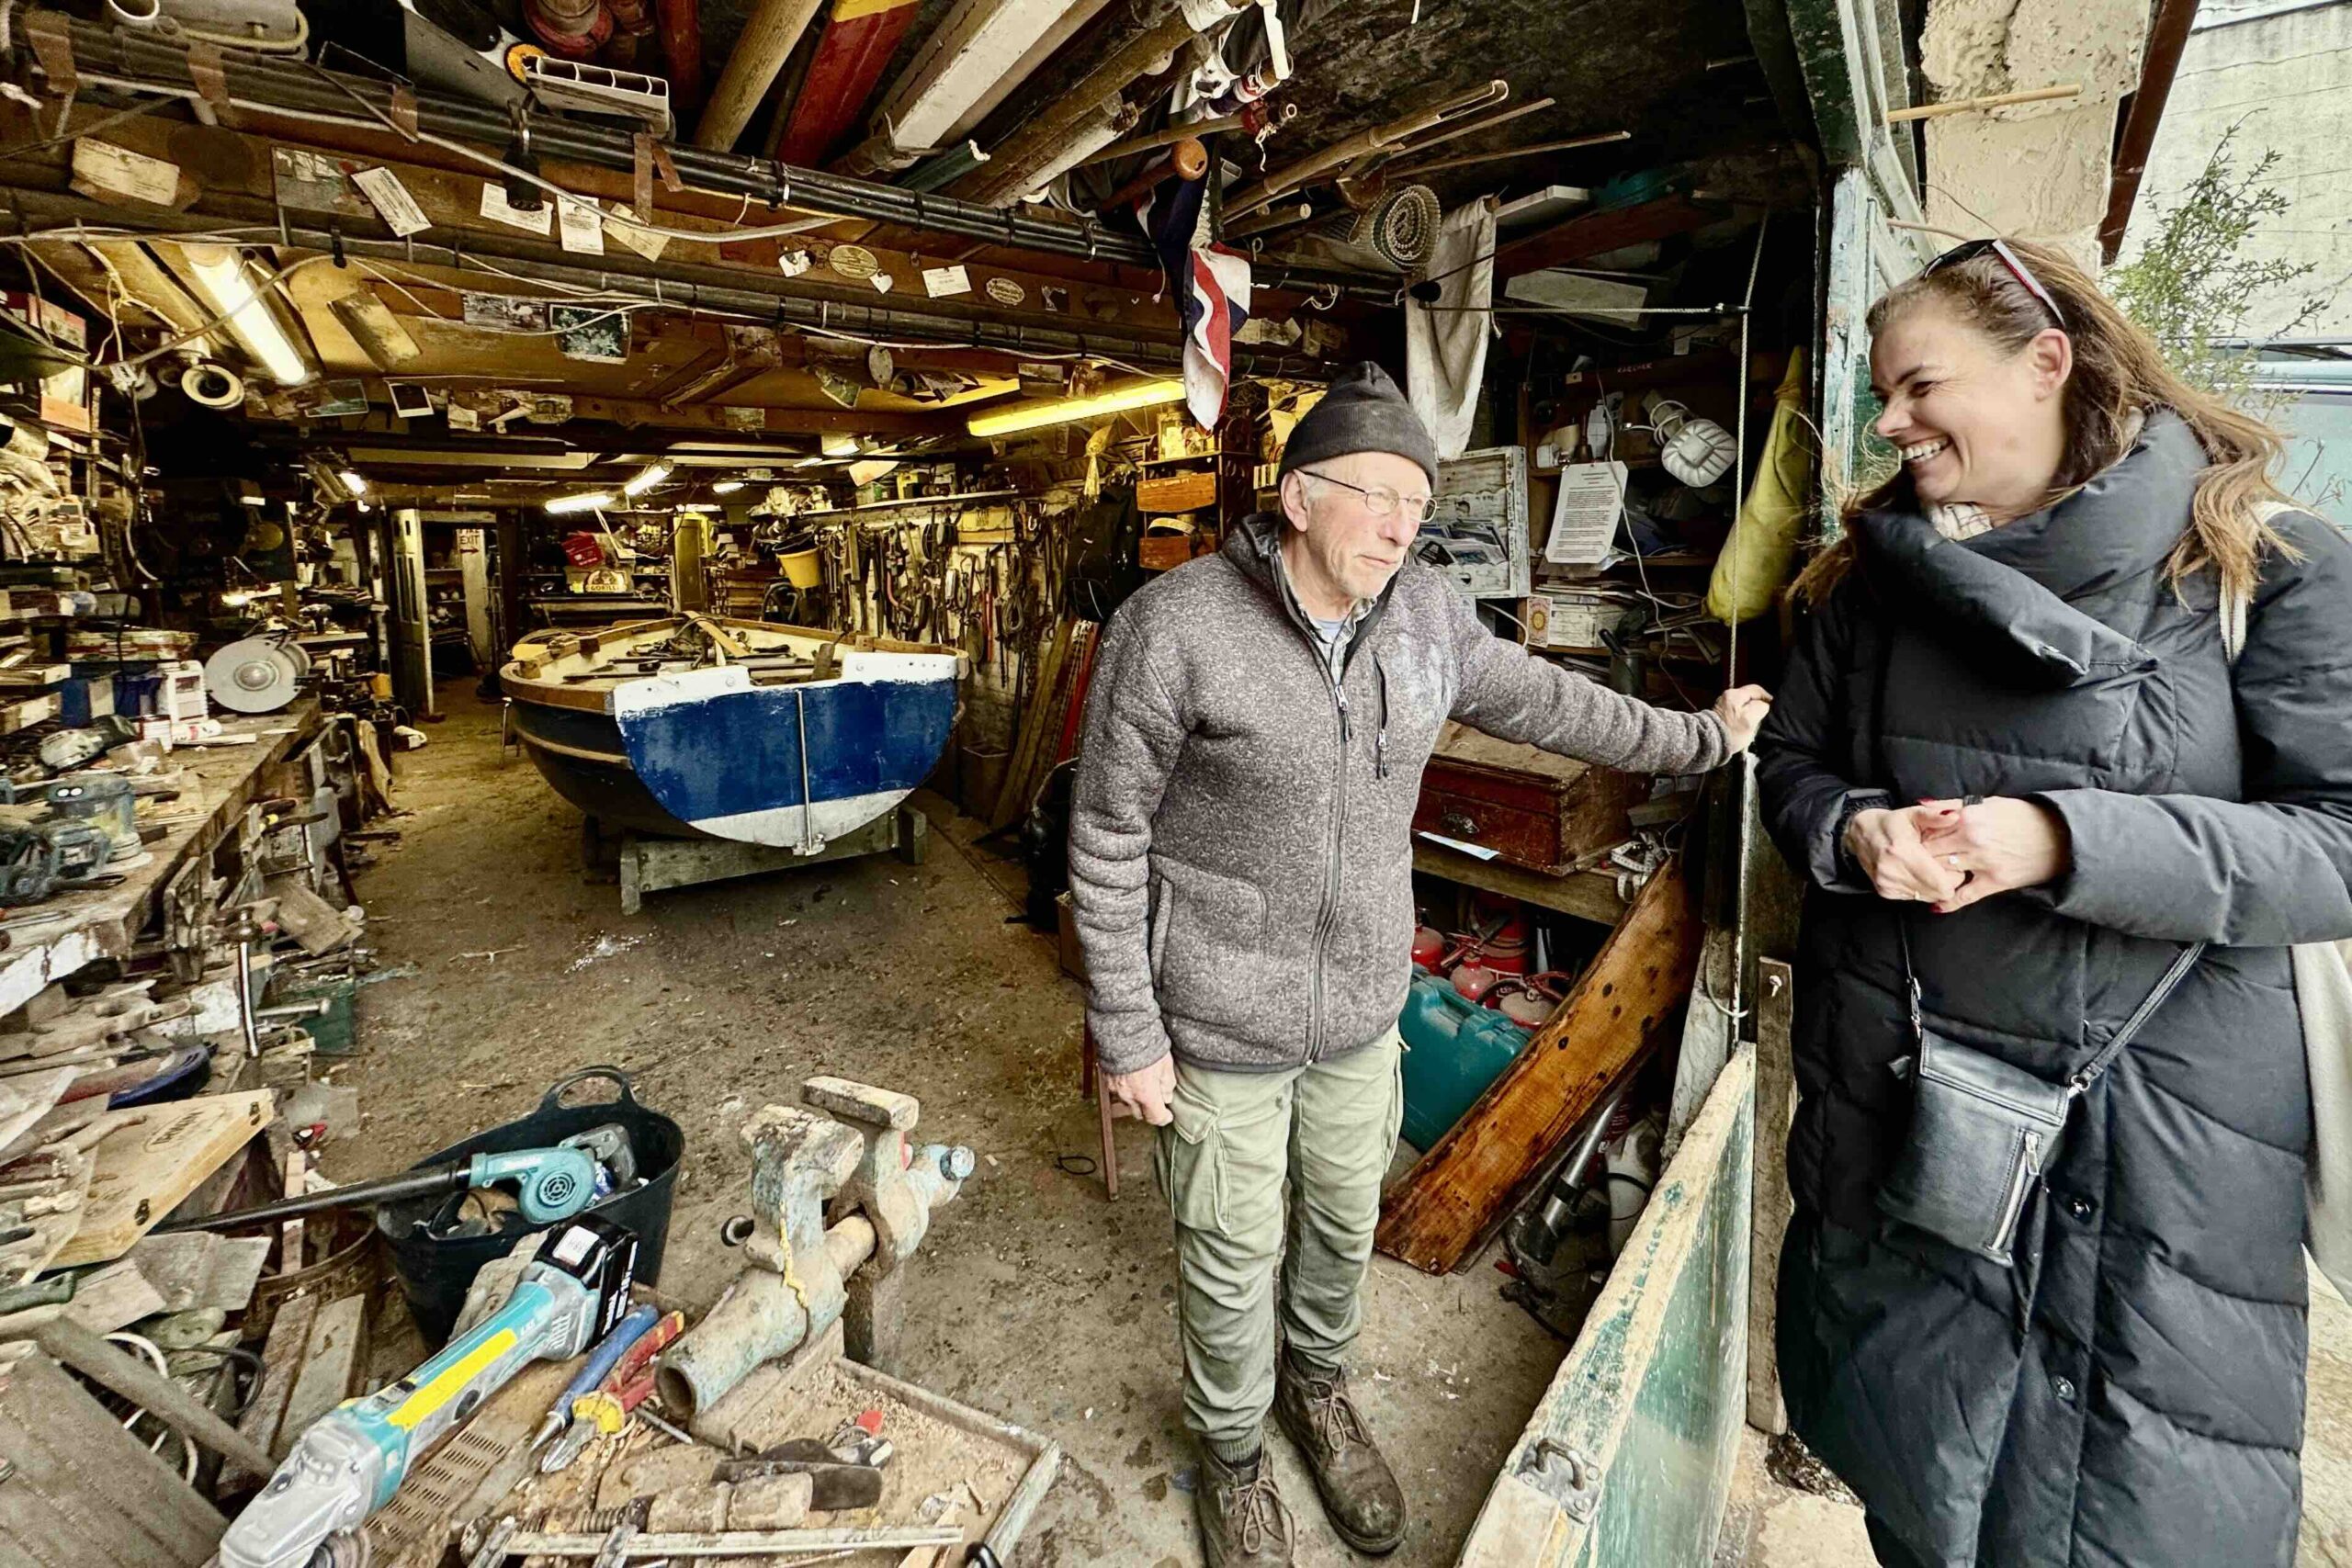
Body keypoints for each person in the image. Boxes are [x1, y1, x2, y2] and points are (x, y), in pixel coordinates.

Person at [1069, 362, 1771, 1566]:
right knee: (1232, 1253)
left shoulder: (1430, 618)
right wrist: (1130, 1034)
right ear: (1297, 498)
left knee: (1344, 1224)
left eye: (1417, 500)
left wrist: (1702, 737)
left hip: (1356, 1011)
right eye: (1376, 494)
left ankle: (1319, 1390)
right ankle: (1233, 1454)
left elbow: (1558, 705)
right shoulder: (1174, 629)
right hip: (1217, 1016)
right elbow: (1106, 835)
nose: (1402, 523)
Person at [1754, 236, 2352, 1567]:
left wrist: (2062, 841)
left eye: (1917, 387)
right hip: (1903, 1133)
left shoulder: (2259, 564)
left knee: (2107, 1511)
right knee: (1916, 1486)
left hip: (2155, 1154)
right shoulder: (1867, 585)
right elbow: (1787, 772)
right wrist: (1853, 834)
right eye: (1882, 397)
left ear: (2046, 362)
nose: (1891, 425)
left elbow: (2341, 843)